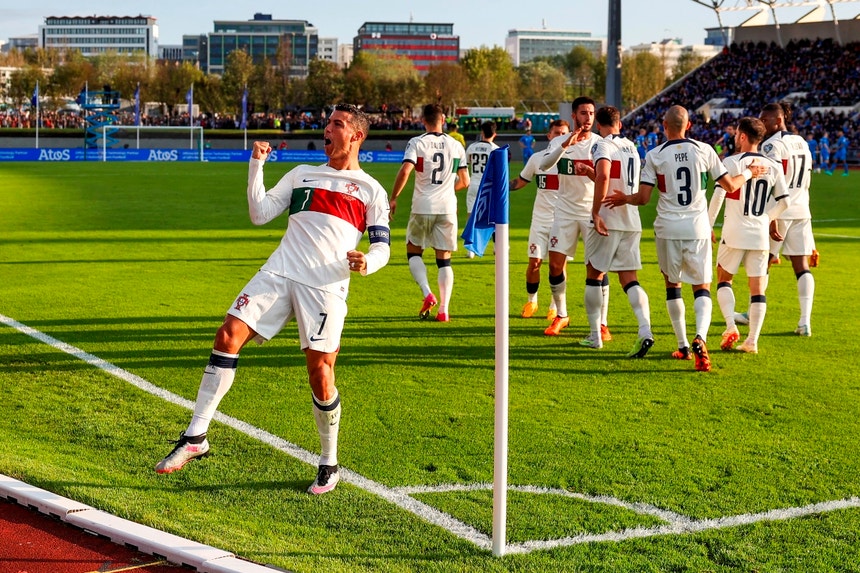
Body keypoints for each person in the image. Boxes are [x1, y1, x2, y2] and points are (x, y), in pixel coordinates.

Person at [154, 104, 391, 496]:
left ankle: (329, 462)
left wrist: (368, 262)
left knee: (320, 374)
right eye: (327, 121)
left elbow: (382, 244)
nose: (327, 128)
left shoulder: (371, 190)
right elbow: (260, 213)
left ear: (356, 137)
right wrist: (256, 165)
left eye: (337, 124)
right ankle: (196, 436)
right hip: (279, 272)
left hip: (325, 286)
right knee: (227, 334)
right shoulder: (302, 175)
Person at [604, 105, 763, 372]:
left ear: (664, 126)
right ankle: (700, 336)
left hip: (667, 229)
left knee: (672, 286)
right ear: (688, 125)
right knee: (701, 287)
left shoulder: (654, 155)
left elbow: (643, 199)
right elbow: (730, 186)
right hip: (697, 228)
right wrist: (750, 172)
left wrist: (624, 198)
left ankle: (683, 346)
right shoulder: (705, 150)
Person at [708, 117, 791, 354]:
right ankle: (752, 341)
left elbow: (719, 196)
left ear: (743, 136)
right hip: (759, 234)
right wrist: (767, 219)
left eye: (736, 134)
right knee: (757, 289)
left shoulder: (732, 163)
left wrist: (708, 225)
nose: (735, 138)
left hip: (734, 231)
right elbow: (785, 202)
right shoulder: (773, 165)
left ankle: (731, 326)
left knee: (724, 280)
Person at [580, 106, 654, 356]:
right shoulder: (631, 146)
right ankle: (645, 330)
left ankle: (594, 335)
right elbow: (613, 179)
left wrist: (595, 212)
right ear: (619, 124)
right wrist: (592, 173)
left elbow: (604, 176)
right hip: (630, 218)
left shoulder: (602, 145)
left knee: (594, 273)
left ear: (599, 125)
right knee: (629, 278)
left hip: (609, 218)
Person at [737, 102, 816, 336]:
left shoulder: (771, 145)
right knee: (800, 266)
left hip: (780, 210)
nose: (761, 123)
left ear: (778, 120)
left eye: (765, 119)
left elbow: (771, 180)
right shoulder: (801, 141)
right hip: (802, 208)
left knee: (764, 261)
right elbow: (808, 177)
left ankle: (753, 313)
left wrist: (770, 216)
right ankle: (804, 322)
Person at [538, 96, 610, 340]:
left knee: (597, 267)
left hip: (591, 211)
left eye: (591, 113)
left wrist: (590, 172)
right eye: (583, 113)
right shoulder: (560, 140)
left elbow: (604, 181)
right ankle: (562, 314)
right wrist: (565, 144)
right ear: (574, 116)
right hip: (564, 212)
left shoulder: (601, 144)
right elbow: (546, 165)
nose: (587, 117)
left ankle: (602, 323)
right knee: (555, 264)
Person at [390, 103, 470, 322]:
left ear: (422, 120)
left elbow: (406, 170)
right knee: (444, 260)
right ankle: (444, 309)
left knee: (414, 252)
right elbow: (465, 181)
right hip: (447, 208)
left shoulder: (417, 142)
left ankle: (427, 293)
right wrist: (445, 189)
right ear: (442, 120)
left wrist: (394, 197)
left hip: (422, 206)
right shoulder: (456, 146)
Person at [511, 119, 570, 320]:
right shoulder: (537, 159)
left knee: (559, 266)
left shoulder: (575, 159)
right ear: (549, 136)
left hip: (563, 221)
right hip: (540, 220)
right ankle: (532, 300)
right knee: (534, 263)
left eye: (564, 133)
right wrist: (498, 183)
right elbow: (520, 181)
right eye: (557, 133)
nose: (560, 136)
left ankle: (555, 306)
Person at [464, 121, 499, 259]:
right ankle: (497, 247)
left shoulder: (472, 147)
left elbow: (465, 166)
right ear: (494, 134)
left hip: (473, 184)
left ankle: (470, 250)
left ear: (481, 132)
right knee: (493, 217)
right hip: (489, 187)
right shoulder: (496, 149)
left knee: (471, 217)